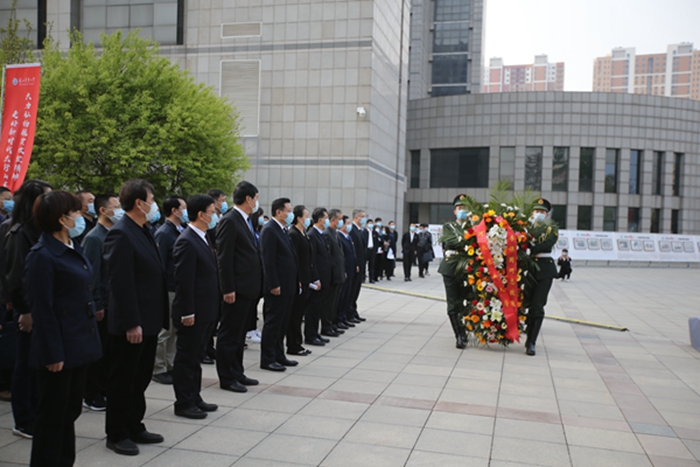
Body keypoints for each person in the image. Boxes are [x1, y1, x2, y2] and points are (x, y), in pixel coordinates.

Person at [25, 191, 102, 467]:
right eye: (77, 212)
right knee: (52, 416)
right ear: (62, 218)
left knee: (68, 412)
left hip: (79, 342)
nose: (81, 216)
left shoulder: (72, 246)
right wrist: (52, 352)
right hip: (60, 347)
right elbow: (42, 310)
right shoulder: (42, 256)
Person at [103, 179, 169, 456]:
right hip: (132, 323)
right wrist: (132, 322)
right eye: (151, 199)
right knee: (123, 381)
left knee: (140, 378)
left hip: (150, 319)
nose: (154, 204)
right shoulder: (121, 233)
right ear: (139, 203)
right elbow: (121, 283)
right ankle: (117, 433)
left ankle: (135, 425)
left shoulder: (143, 229)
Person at [5, 179, 52, 439]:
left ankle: (36, 410)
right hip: (28, 312)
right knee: (25, 364)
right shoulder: (19, 233)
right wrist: (25, 311)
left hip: (43, 310)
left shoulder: (40, 230)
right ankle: (23, 419)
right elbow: (16, 278)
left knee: (38, 364)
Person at [171, 195, 220, 419]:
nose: (216, 215)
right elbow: (184, 281)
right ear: (201, 214)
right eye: (213, 211)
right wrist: (187, 311)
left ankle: (194, 395)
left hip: (207, 309)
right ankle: (184, 402)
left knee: (197, 357)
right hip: (193, 312)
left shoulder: (203, 237)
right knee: (187, 357)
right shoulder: (186, 240)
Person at [215, 181, 261, 392]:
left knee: (240, 334)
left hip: (248, 288)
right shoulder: (230, 220)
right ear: (249, 198)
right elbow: (224, 258)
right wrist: (228, 288)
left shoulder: (246, 220)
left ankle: (237, 371)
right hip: (236, 289)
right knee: (229, 334)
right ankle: (227, 377)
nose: (257, 202)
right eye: (256, 198)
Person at [81, 193, 123, 412]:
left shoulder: (114, 233)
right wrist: (97, 304)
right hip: (102, 304)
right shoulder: (94, 238)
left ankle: (104, 388)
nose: (119, 211)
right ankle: (92, 393)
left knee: (110, 352)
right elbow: (93, 275)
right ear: (103, 210)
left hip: (114, 302)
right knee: (99, 352)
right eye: (115, 207)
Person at [259, 198, 299, 371]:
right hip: (277, 287)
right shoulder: (270, 230)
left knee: (283, 322)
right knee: (273, 323)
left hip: (288, 285)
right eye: (288, 210)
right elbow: (268, 261)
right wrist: (273, 283)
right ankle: (268, 358)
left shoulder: (283, 229)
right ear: (278, 212)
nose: (291, 214)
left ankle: (279, 354)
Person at [152, 195, 187, 385]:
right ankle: (158, 368)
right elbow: (160, 265)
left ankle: (170, 364)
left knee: (174, 331)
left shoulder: (179, 230)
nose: (186, 211)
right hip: (168, 288)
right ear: (174, 210)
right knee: (165, 331)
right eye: (184, 207)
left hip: (178, 287)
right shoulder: (164, 233)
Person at [525, 198, 559, 356]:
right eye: (537, 211)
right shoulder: (525, 228)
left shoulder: (551, 229)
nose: (539, 214)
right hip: (528, 269)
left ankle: (531, 342)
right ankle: (526, 330)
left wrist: (529, 248)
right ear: (532, 213)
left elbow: (546, 244)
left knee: (538, 305)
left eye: (543, 212)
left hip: (544, 270)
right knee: (526, 302)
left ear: (547, 215)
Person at [438, 194, 469, 349]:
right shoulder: (448, 227)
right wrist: (466, 242)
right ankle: (458, 335)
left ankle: (464, 330)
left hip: (467, 268)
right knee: (452, 303)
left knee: (467, 301)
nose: (462, 211)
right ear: (454, 211)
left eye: (464, 208)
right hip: (450, 267)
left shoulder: (474, 227)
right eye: (459, 208)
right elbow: (449, 241)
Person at [286, 205, 318, 356]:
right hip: (298, 280)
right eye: (306, 215)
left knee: (299, 314)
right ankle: (293, 344)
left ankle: (297, 343)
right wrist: (297, 279)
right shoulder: (293, 234)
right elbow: (295, 259)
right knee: (295, 315)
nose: (308, 218)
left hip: (306, 279)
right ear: (298, 218)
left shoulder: (303, 233)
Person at [305, 208, 332, 344]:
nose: (327, 220)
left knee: (319, 308)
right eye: (326, 217)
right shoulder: (312, 235)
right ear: (320, 219)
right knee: (313, 309)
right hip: (317, 280)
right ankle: (310, 335)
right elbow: (312, 260)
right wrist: (315, 279)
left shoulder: (321, 234)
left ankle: (316, 333)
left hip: (324, 278)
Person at [323, 209, 346, 336]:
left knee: (334, 303)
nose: (341, 221)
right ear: (333, 220)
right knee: (329, 303)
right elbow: (329, 257)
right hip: (332, 276)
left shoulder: (335, 233)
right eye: (340, 218)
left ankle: (331, 324)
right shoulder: (327, 234)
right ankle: (326, 327)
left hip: (339, 274)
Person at [336, 216, 358, 328]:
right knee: (341, 296)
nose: (349, 226)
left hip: (351, 270)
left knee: (347, 295)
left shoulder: (348, 237)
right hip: (345, 271)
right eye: (347, 223)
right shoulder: (339, 236)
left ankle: (344, 317)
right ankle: (339, 318)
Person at [347, 209, 367, 322]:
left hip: (361, 265)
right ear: (356, 217)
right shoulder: (353, 231)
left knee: (356, 290)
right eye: (362, 217)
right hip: (355, 266)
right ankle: (349, 312)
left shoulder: (360, 231)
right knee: (352, 291)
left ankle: (353, 310)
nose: (363, 219)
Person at [364, 218, 377, 283]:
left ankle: (371, 278)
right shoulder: (364, 232)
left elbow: (376, 242)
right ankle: (363, 277)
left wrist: (375, 250)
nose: (371, 225)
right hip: (366, 249)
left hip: (372, 250)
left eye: (372, 223)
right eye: (369, 223)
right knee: (363, 264)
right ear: (367, 224)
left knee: (372, 265)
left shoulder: (374, 233)